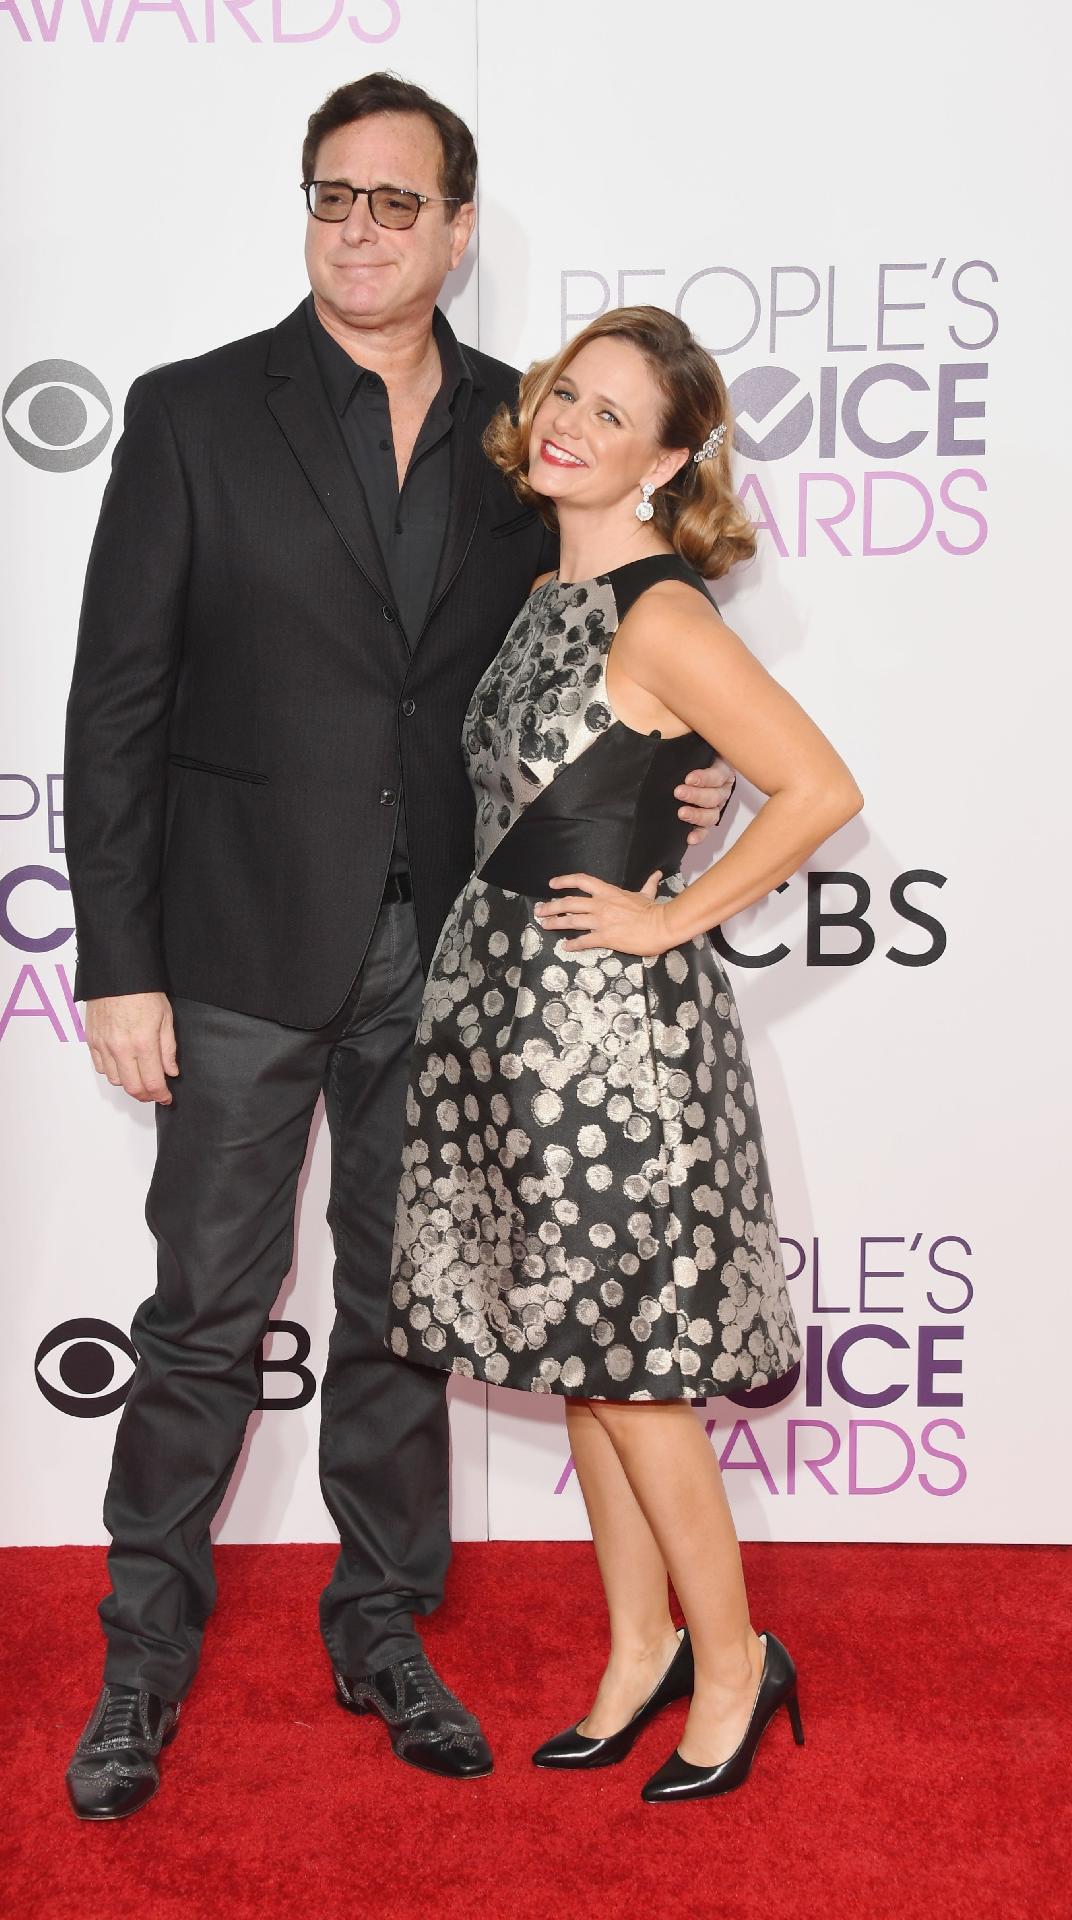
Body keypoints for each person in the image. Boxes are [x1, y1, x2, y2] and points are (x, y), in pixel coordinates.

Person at [61, 81, 734, 1820]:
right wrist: (116, 959)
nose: (358, 229)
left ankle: (380, 1628)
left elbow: (617, 634)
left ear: (459, 228)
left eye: (394, 203)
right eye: (331, 197)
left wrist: (693, 774)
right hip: (227, 943)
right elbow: (115, 707)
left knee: (397, 1314)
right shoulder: (194, 411)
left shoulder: (536, 433)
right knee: (205, 1313)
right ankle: (144, 1661)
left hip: (456, 955)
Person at [386, 305, 862, 1803]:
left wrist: (676, 920)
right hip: (512, 1024)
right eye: (566, 393)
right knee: (587, 1370)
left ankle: (734, 1664)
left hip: (612, 1045)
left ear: (667, 460)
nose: (573, 423)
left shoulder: (664, 613)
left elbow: (820, 787)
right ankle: (638, 1647)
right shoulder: (546, 597)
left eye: (614, 413)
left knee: (639, 1375)